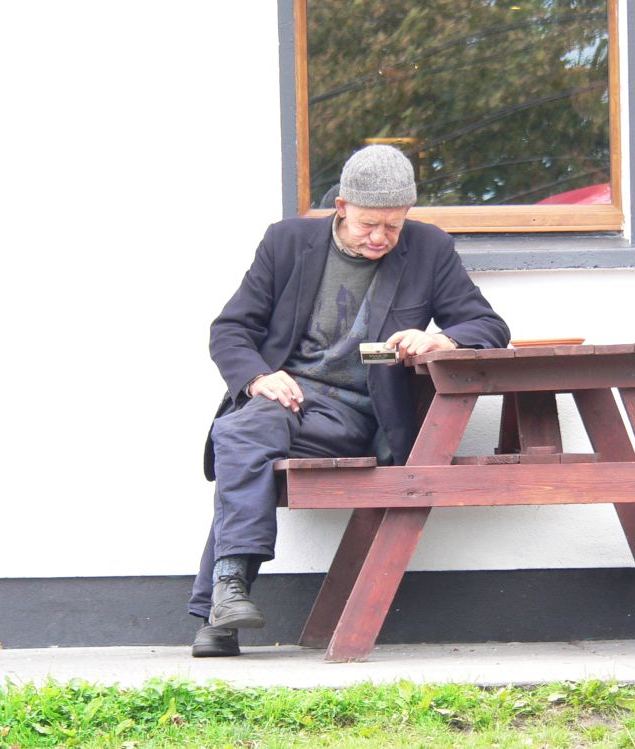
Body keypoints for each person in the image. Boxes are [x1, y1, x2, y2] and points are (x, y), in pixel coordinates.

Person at [188, 145, 510, 657]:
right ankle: (228, 595)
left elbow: (489, 326)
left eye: (393, 226)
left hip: (357, 415)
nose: (380, 237)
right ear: (341, 207)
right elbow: (230, 330)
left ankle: (218, 607)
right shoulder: (286, 242)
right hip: (286, 400)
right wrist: (258, 378)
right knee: (245, 432)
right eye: (367, 224)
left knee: (240, 449)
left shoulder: (429, 248)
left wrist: (442, 339)